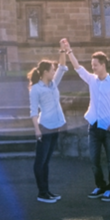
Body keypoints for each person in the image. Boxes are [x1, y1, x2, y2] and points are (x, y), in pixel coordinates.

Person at [61, 39, 110, 202]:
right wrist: (68, 50)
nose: (93, 67)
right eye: (92, 64)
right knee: (94, 160)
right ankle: (100, 186)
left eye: (95, 65)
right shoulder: (92, 80)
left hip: (108, 127)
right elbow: (78, 68)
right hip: (93, 126)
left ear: (103, 65)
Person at [28, 41, 68, 203]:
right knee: (40, 161)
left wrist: (63, 50)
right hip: (44, 128)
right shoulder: (36, 89)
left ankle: (47, 191)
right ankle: (42, 193)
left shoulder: (53, 84)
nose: (54, 72)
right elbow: (33, 111)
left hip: (56, 126)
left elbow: (62, 67)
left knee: (47, 162)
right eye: (52, 70)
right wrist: (37, 130)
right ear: (45, 72)